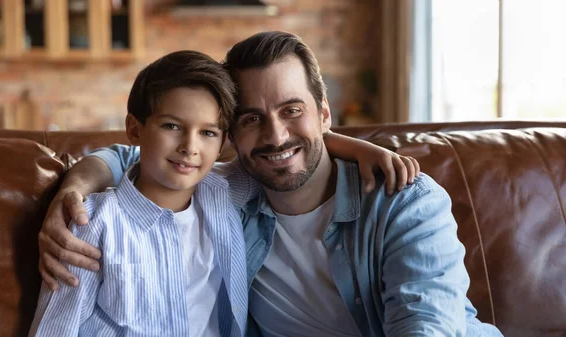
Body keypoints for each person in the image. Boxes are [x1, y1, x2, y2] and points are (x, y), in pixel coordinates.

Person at [38, 31, 501, 336]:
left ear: (324, 114)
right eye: (252, 119)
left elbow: (426, 326)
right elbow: (131, 157)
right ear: (233, 137)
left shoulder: (405, 201)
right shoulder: (230, 194)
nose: (275, 136)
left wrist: (354, 147)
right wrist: (70, 191)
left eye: (292, 111)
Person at [29, 50, 249, 336]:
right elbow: (55, 328)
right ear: (134, 129)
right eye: (172, 126)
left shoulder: (228, 194)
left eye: (208, 133)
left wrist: (327, 139)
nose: (190, 147)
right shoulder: (95, 222)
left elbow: (295, 162)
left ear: (223, 143)